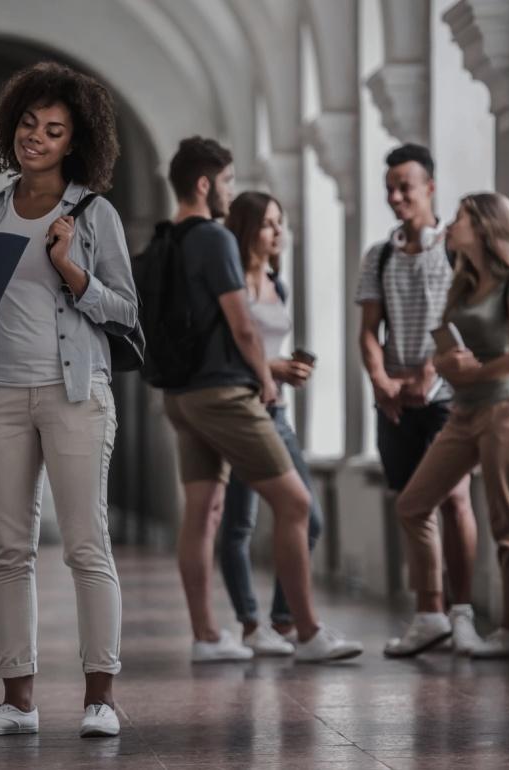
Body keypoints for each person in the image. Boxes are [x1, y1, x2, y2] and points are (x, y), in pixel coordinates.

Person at [0, 62, 136, 739]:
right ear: (11, 126)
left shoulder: (93, 213)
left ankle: (101, 698)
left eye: (53, 131)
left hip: (75, 395)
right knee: (8, 549)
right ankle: (18, 701)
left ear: (72, 143)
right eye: (29, 124)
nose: (36, 137)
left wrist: (72, 270)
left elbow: (125, 310)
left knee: (87, 544)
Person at [159, 137, 363, 664]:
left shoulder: (165, 240)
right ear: (205, 184)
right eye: (226, 182)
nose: (229, 192)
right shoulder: (214, 239)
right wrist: (265, 378)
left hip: (180, 394)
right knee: (296, 504)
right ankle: (308, 631)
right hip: (226, 391)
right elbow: (243, 324)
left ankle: (207, 636)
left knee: (202, 513)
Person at [393, 192, 509, 660]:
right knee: (413, 504)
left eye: (459, 217)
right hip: (463, 413)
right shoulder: (461, 285)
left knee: (507, 523)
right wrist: (445, 362)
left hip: (506, 409)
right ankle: (437, 616)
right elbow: (442, 351)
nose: (451, 224)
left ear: (483, 227)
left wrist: (469, 370)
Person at [354, 144, 480, 657]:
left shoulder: (455, 249)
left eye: (406, 185)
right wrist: (381, 380)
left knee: (453, 499)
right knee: (412, 503)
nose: (396, 195)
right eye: (390, 187)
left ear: (431, 187)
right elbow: (368, 330)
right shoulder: (378, 256)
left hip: (449, 397)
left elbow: (465, 321)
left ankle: (463, 613)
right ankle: (429, 613)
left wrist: (429, 373)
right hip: (396, 403)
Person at [218, 192, 323, 656]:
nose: (278, 232)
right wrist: (272, 369)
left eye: (281, 223)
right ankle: (249, 623)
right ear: (246, 230)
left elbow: (267, 343)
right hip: (242, 410)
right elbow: (226, 349)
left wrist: (286, 370)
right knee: (239, 524)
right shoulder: (231, 283)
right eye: (268, 224)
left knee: (311, 520)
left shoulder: (277, 284)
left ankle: (281, 620)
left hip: (276, 412)